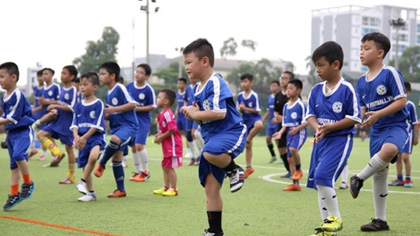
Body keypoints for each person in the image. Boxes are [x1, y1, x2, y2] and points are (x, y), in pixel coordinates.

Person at [181, 38, 246, 236]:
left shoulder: (215, 82)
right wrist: (194, 114)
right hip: (212, 138)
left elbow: (220, 113)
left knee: (209, 153)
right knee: (210, 187)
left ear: (205, 61)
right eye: (185, 63)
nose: (186, 68)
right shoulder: (194, 89)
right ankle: (215, 231)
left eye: (189, 62)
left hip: (230, 132)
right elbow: (203, 119)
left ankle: (235, 170)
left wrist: (194, 114)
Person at [350, 32, 409, 232]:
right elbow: (364, 107)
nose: (361, 52)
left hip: (396, 126)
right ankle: (380, 220)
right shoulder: (361, 81)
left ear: (380, 53)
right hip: (376, 130)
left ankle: (358, 178)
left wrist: (378, 115)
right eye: (360, 48)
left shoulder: (389, 72)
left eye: (367, 48)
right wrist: (364, 120)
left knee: (391, 149)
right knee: (381, 173)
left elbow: (402, 101)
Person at [306, 41, 361, 236]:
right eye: (316, 65)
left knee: (323, 177)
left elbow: (354, 117)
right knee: (319, 185)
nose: (317, 70)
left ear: (335, 64)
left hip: (339, 140)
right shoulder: (315, 90)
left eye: (321, 65)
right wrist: (318, 127)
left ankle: (336, 218)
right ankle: (327, 230)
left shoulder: (347, 89)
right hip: (321, 141)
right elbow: (310, 115)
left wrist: (330, 128)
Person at [94, 61, 139, 198]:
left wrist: (113, 109)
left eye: (103, 74)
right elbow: (113, 112)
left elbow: (133, 104)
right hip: (117, 127)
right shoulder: (108, 93)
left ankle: (101, 162)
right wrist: (107, 115)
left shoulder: (120, 87)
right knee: (117, 159)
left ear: (112, 76)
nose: (100, 76)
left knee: (114, 140)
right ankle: (121, 190)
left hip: (129, 126)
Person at [0, 62, 36, 210]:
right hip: (12, 133)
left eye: (2, 77)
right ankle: (14, 194)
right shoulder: (4, 97)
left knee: (19, 155)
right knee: (13, 166)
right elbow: (4, 116)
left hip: (23, 130)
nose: (0, 80)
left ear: (13, 77)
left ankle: (28, 183)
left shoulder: (18, 95)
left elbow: (13, 117)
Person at [36, 65, 78, 185]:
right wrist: (54, 110)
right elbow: (60, 102)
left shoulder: (73, 89)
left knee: (69, 148)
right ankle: (56, 152)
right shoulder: (62, 88)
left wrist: (56, 106)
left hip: (67, 123)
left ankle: (71, 176)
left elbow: (72, 107)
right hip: (57, 120)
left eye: (64, 73)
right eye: (61, 73)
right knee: (40, 134)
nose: (62, 75)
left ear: (71, 76)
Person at [72, 72, 106, 202]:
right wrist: (76, 136)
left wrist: (85, 137)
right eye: (80, 84)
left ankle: (81, 181)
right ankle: (91, 194)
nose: (82, 87)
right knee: (85, 165)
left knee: (93, 158)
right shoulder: (79, 105)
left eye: (85, 84)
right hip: (81, 138)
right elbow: (74, 122)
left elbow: (97, 124)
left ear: (95, 87)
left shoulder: (98, 103)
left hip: (95, 137)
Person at [273, 79, 307, 191]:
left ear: (298, 90)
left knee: (293, 150)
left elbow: (307, 121)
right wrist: (280, 133)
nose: (288, 91)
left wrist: (297, 129)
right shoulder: (286, 106)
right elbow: (285, 124)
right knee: (289, 159)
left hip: (299, 132)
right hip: (289, 133)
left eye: (291, 89)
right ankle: (295, 184)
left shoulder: (301, 105)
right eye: (287, 89)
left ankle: (299, 170)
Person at [126, 63, 156, 182]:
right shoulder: (129, 86)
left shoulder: (148, 89)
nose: (137, 74)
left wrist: (138, 109)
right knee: (133, 147)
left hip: (143, 121)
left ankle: (145, 171)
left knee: (139, 145)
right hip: (131, 121)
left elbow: (153, 106)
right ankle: (138, 172)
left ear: (146, 76)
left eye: (140, 72)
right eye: (136, 71)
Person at [153, 89, 183, 196]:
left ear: (166, 101)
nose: (157, 99)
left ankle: (174, 189)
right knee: (164, 165)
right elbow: (165, 129)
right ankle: (166, 186)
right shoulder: (162, 114)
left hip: (173, 144)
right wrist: (159, 135)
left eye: (159, 97)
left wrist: (161, 138)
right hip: (167, 144)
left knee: (170, 166)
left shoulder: (167, 114)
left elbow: (173, 129)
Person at [388, 81, 418, 188]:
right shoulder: (394, 105)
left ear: (408, 93)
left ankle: (408, 179)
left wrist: (415, 137)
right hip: (397, 134)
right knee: (398, 157)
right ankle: (399, 178)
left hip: (408, 134)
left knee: (405, 157)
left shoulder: (410, 105)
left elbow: (414, 123)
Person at [237, 73, 263, 178]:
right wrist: (241, 109)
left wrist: (245, 108)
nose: (243, 84)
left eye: (245, 81)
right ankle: (249, 168)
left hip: (254, 118)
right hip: (245, 120)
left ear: (251, 83)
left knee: (259, 125)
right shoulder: (239, 95)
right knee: (248, 146)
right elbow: (238, 109)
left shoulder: (254, 95)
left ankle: (247, 138)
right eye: (242, 81)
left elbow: (257, 110)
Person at [274, 71, 294, 177]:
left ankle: (295, 171)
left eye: (285, 78)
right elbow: (276, 110)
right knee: (281, 148)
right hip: (280, 126)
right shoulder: (277, 95)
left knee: (291, 149)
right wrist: (276, 116)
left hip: (292, 127)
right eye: (281, 78)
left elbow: (295, 114)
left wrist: (283, 118)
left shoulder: (294, 95)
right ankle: (289, 171)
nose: (282, 80)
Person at [175, 77, 197, 165]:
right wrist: (183, 109)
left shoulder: (200, 86)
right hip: (188, 114)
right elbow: (185, 101)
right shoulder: (188, 88)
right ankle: (194, 157)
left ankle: (200, 155)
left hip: (197, 113)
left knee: (195, 133)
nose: (192, 78)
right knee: (188, 135)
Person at [262, 80, 281, 163]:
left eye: (274, 85)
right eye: (271, 86)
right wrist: (263, 120)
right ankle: (273, 156)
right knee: (267, 139)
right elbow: (268, 110)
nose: (272, 87)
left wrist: (278, 118)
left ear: (278, 87)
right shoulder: (269, 97)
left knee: (277, 140)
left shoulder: (281, 96)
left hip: (278, 122)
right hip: (270, 123)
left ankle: (282, 157)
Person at [29, 70, 44, 159]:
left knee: (43, 134)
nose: (40, 78)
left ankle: (43, 154)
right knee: (30, 130)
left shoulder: (45, 89)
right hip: (35, 112)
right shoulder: (35, 88)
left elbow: (43, 105)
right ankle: (33, 149)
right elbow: (36, 101)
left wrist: (34, 109)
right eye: (38, 76)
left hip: (42, 113)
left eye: (41, 76)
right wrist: (34, 108)